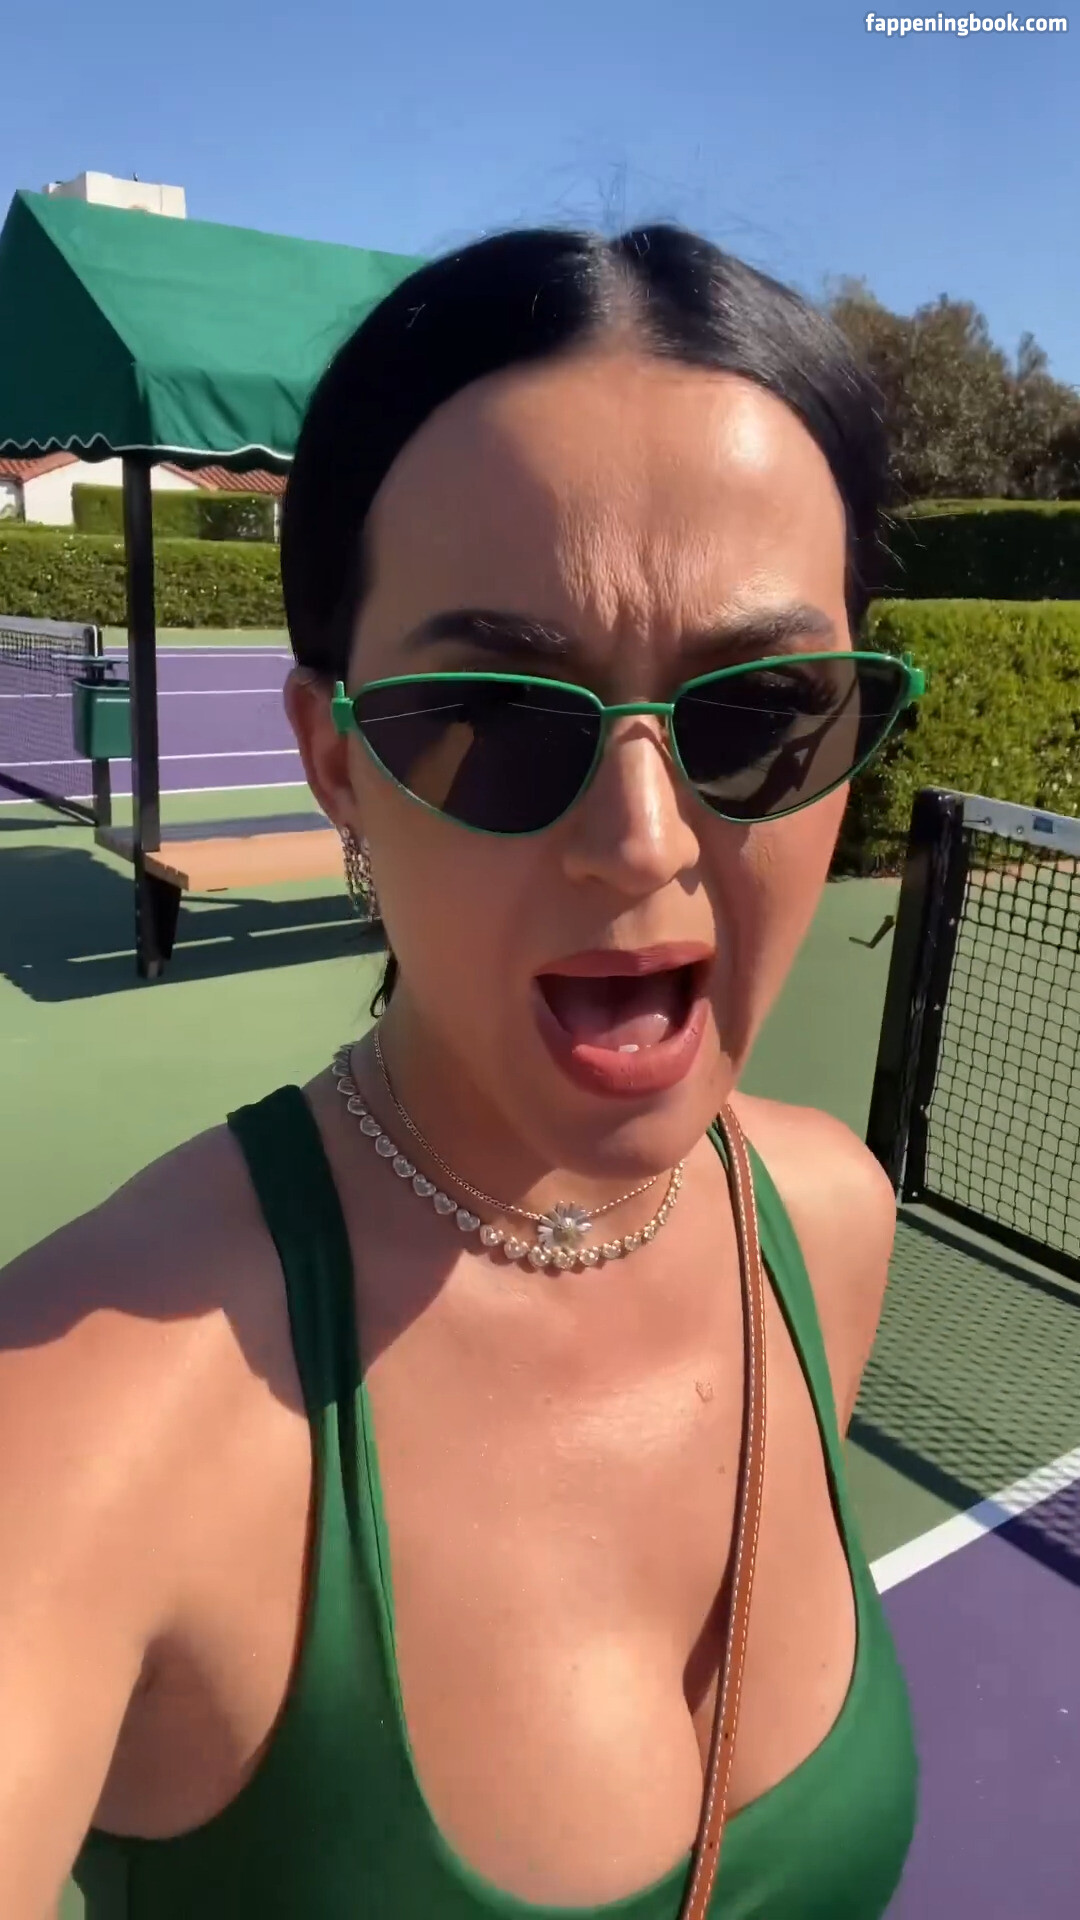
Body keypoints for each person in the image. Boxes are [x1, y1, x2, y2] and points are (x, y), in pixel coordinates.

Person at [0, 225, 919, 1919]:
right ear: (336, 761)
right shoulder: (82, 1407)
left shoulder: (827, 1228)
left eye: (758, 710)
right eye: (492, 717)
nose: (643, 841)